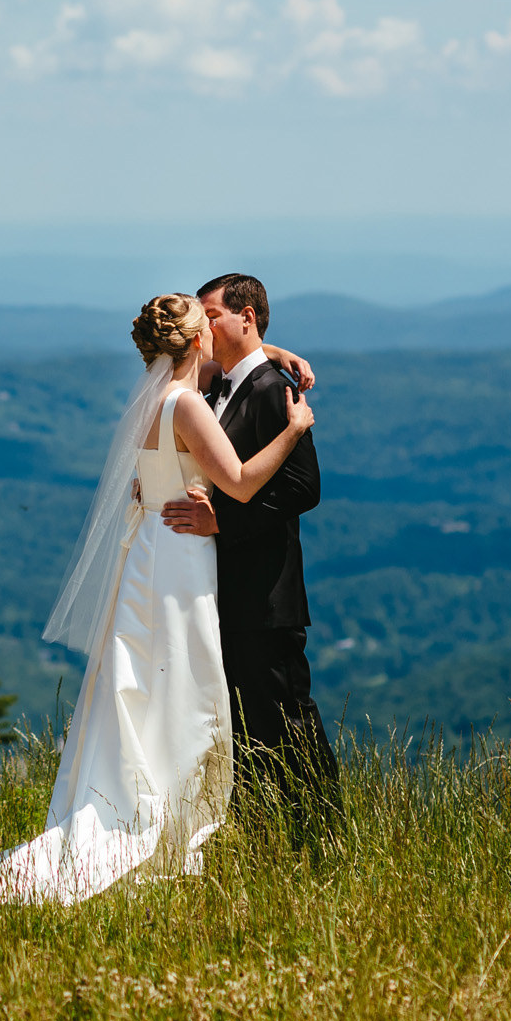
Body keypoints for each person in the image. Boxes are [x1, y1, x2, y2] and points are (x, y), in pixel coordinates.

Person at [0, 295, 315, 906]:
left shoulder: (148, 402)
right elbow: (243, 483)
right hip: (180, 554)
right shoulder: (188, 405)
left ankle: (132, 795)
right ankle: (164, 815)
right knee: (181, 679)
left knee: (144, 679)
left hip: (147, 549)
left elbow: (222, 366)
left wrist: (273, 351)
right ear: (198, 342)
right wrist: (296, 429)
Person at [160, 273, 340, 845]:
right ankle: (265, 837)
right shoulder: (217, 387)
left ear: (246, 317)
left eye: (213, 315)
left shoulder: (269, 389)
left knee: (286, 719)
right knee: (244, 728)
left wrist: (224, 521)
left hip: (267, 593)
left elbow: (303, 487)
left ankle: (321, 837)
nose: (204, 327)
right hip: (222, 590)